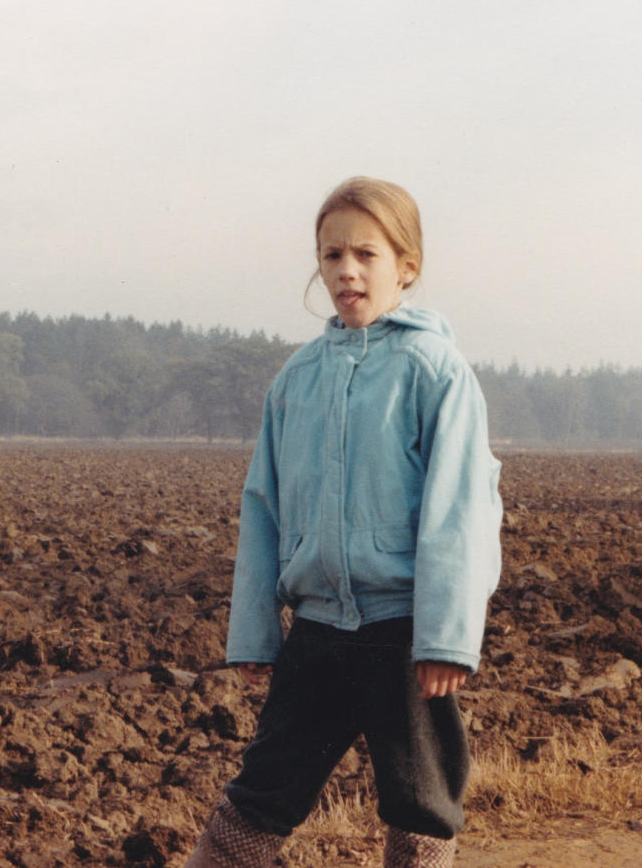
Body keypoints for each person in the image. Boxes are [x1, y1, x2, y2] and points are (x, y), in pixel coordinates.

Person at [184, 177, 503, 868]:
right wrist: (254, 630)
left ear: (406, 265)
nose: (346, 270)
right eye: (332, 256)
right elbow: (263, 507)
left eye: (366, 253)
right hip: (319, 630)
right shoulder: (295, 380)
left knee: (421, 802)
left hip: (405, 633)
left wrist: (447, 635)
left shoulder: (434, 370)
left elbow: (461, 510)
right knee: (263, 790)